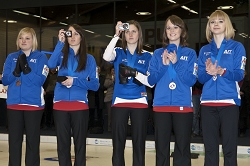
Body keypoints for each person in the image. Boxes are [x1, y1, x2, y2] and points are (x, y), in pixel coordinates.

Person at [197, 10, 246, 166]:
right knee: (210, 149)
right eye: (212, 22)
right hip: (207, 104)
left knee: (229, 149)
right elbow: (200, 79)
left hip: (229, 103)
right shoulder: (204, 50)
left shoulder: (237, 47)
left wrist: (221, 71)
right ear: (209, 26)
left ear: (227, 24)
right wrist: (208, 71)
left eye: (220, 21)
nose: (216, 24)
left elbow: (239, 74)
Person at [148, 15, 197, 166]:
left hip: (182, 106)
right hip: (161, 106)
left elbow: (191, 80)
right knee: (161, 149)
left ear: (182, 31)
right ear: (165, 32)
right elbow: (150, 81)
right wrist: (163, 65)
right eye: (168, 27)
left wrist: (176, 63)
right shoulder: (157, 54)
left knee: (182, 149)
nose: (172, 30)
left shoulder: (190, 54)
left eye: (175, 27)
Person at [103, 20, 153, 166]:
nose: (130, 34)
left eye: (134, 31)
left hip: (140, 101)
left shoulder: (147, 56)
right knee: (118, 145)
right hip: (120, 101)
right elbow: (106, 57)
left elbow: (151, 82)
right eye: (127, 31)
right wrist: (116, 35)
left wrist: (136, 74)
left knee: (139, 145)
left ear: (139, 34)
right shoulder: (118, 52)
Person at [48, 24, 99, 166]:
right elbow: (50, 64)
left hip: (80, 106)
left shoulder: (90, 59)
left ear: (82, 37)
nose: (73, 37)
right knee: (62, 146)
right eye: (70, 33)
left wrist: (75, 81)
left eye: (76, 34)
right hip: (60, 105)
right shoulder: (61, 55)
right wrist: (60, 42)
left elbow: (95, 85)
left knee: (80, 146)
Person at [2, 27, 48, 166]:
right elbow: (5, 80)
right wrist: (15, 73)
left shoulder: (41, 57)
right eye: (21, 38)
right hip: (14, 104)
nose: (24, 41)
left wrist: (26, 69)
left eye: (27, 38)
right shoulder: (11, 57)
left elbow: (40, 81)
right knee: (14, 143)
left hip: (33, 105)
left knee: (32, 143)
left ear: (33, 40)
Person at [88, 66, 105, 134]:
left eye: (98, 69)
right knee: (91, 113)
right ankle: (90, 127)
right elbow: (89, 86)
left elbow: (103, 86)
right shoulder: (90, 78)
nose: (97, 71)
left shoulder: (102, 78)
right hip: (92, 97)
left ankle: (100, 128)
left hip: (99, 97)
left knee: (99, 113)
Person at [104, 65, 115, 132]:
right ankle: (109, 128)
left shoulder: (119, 76)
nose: (113, 71)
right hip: (109, 98)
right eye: (112, 70)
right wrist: (112, 81)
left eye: (114, 70)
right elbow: (105, 84)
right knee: (110, 114)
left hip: (116, 98)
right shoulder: (108, 77)